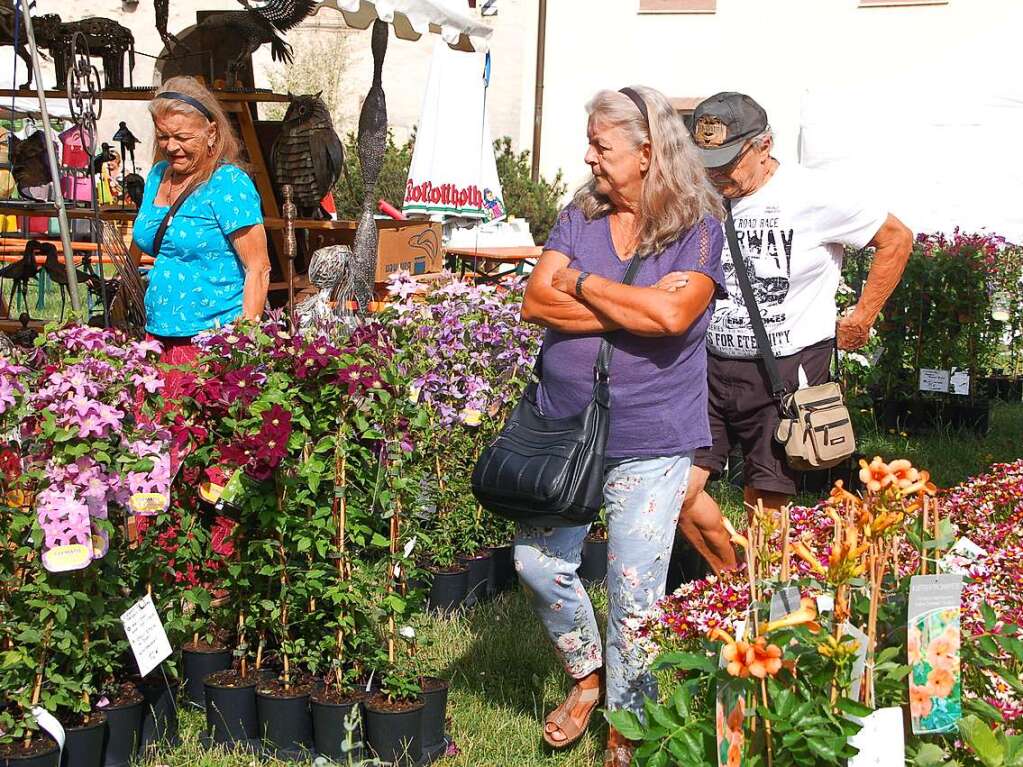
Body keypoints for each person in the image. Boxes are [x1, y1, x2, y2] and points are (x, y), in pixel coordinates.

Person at [516, 85, 726, 767]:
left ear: (646, 152)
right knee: (537, 563)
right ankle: (587, 673)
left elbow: (671, 318)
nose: (587, 157)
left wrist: (579, 285)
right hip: (564, 429)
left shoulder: (697, 224)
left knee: (635, 596)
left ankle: (626, 725)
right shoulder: (579, 212)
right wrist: (630, 305)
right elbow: (532, 300)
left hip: (654, 436)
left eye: (600, 146)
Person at [678, 92, 913, 573]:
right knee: (675, 493)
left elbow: (896, 238)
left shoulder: (813, 194)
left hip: (785, 370)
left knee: (766, 499)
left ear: (764, 146)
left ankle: (758, 598)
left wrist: (862, 316)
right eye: (707, 162)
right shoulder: (701, 196)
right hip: (706, 365)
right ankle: (732, 579)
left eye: (728, 161)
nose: (716, 174)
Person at [133, 75, 270, 374]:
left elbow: (258, 268)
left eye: (182, 138)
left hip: (210, 343)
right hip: (157, 334)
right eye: (163, 136)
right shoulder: (158, 175)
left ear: (211, 132)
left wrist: (241, 346)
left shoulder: (228, 184)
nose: (171, 147)